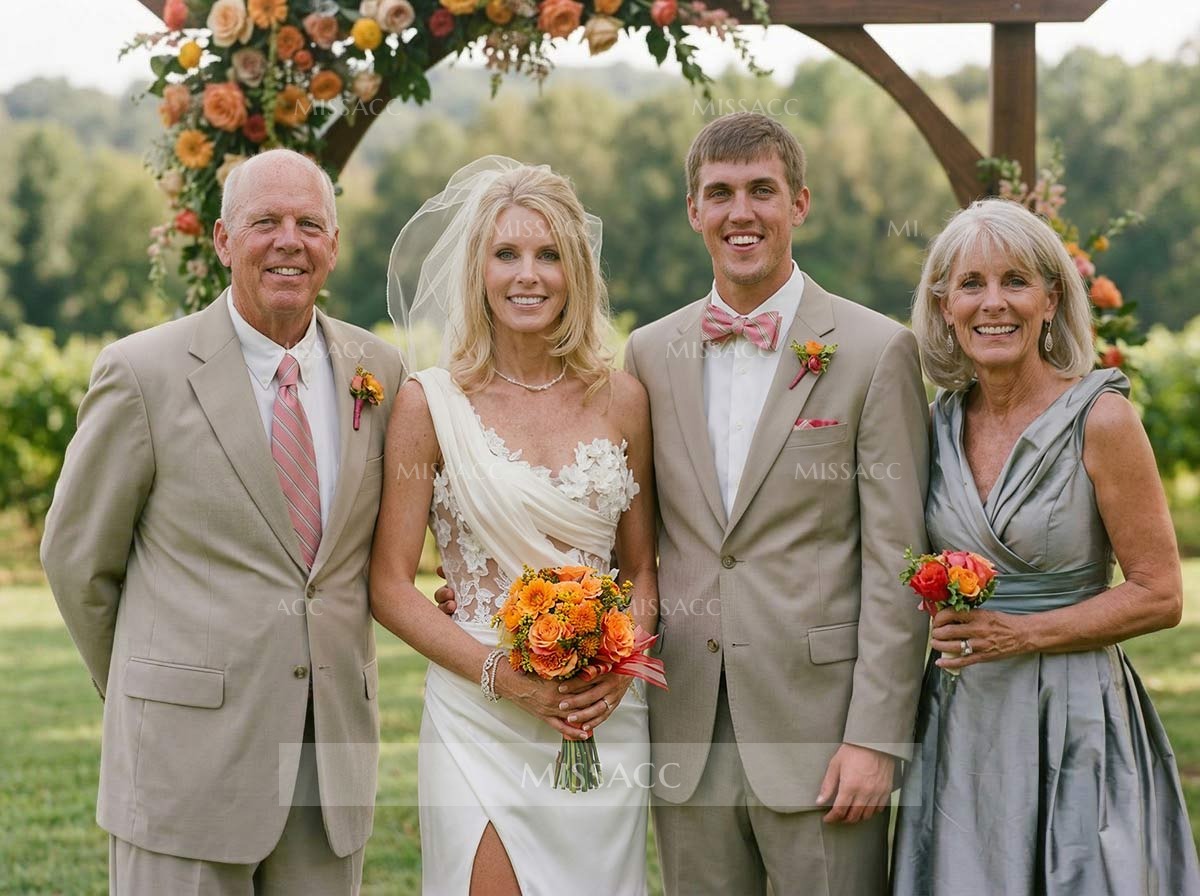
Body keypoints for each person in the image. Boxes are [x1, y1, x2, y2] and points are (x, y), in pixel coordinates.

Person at [40, 149, 404, 895]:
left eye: (309, 224)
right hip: (182, 767)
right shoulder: (141, 373)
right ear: (222, 239)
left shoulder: (380, 372)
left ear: (334, 245)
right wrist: (150, 687)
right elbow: (77, 561)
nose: (289, 241)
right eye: (265, 221)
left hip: (327, 767)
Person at [622, 113, 930, 894]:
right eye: (720, 193)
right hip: (686, 726)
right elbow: (628, 534)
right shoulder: (648, 353)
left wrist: (876, 737)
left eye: (762, 190)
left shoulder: (875, 350)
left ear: (800, 202)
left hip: (823, 733)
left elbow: (898, 563)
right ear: (693, 210)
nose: (741, 213)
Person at [891, 197, 1200, 895]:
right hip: (962, 716)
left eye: (1015, 281)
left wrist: (1021, 634)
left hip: (1075, 713)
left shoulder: (1103, 417)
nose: (993, 303)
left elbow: (1160, 594)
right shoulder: (932, 427)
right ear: (944, 306)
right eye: (971, 284)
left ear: (1051, 299)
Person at [369, 158, 658, 896]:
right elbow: (390, 587)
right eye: (507, 254)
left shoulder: (623, 399)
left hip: (599, 714)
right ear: (478, 269)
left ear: (576, 271)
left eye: (548, 254)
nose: (528, 275)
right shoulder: (429, 404)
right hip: (480, 711)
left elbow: (641, 570)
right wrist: (500, 675)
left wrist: (620, 669)